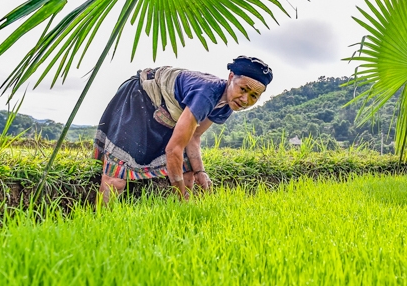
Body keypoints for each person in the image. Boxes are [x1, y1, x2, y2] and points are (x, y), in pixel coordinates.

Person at [94, 56, 273, 203]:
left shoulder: (227, 105)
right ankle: (101, 223)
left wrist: (200, 172)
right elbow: (173, 149)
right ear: (231, 77)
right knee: (116, 179)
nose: (245, 100)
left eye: (254, 96)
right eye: (243, 89)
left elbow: (194, 136)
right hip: (139, 99)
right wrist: (181, 196)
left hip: (166, 113)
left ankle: (179, 215)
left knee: (189, 173)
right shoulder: (206, 94)